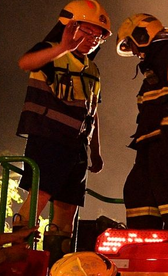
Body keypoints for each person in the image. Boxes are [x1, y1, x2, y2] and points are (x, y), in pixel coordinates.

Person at [14, 1, 111, 260]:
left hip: (76, 149)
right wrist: (63, 47)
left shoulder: (92, 69)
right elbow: (25, 62)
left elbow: (93, 111)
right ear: (70, 26)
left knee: (67, 209)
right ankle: (16, 257)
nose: (93, 40)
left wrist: (96, 151)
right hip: (48, 140)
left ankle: (55, 271)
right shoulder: (50, 52)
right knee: (39, 197)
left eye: (98, 36)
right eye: (88, 32)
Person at [116, 14, 168, 230]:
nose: (134, 51)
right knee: (138, 192)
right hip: (153, 139)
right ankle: (145, 245)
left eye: (131, 44)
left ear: (142, 35)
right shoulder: (156, 62)